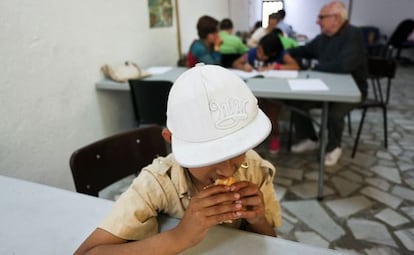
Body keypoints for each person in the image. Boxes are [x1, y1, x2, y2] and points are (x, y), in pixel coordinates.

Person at [74, 64, 282, 255]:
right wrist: (180, 236)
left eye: (238, 150)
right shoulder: (158, 183)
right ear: (170, 139)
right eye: (209, 155)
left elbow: (271, 242)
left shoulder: (255, 170)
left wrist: (258, 219)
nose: (227, 172)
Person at [286, 0, 368, 166]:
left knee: (334, 113)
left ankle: (334, 147)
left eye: (321, 17)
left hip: (353, 90)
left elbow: (344, 65)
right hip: (323, 86)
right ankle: (309, 138)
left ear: (336, 18)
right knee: (295, 101)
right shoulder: (323, 38)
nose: (317, 21)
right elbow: (305, 50)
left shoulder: (354, 35)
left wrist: (311, 65)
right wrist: (285, 53)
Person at [234, 31, 300, 154]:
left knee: (272, 115)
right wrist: (244, 67)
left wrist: (276, 67)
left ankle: (275, 135)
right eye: (258, 50)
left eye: (262, 54)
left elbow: (295, 66)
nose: (259, 54)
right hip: (254, 91)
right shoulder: (252, 53)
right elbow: (236, 63)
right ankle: (254, 137)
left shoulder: (281, 55)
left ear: (273, 53)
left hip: (274, 92)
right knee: (250, 113)